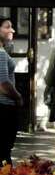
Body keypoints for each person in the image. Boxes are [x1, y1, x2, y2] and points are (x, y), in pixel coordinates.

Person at [0, 17, 20, 165]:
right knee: (4, 150)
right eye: (7, 27)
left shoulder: (3, 50)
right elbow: (3, 84)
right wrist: (18, 96)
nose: (12, 30)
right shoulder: (0, 53)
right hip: (4, 106)